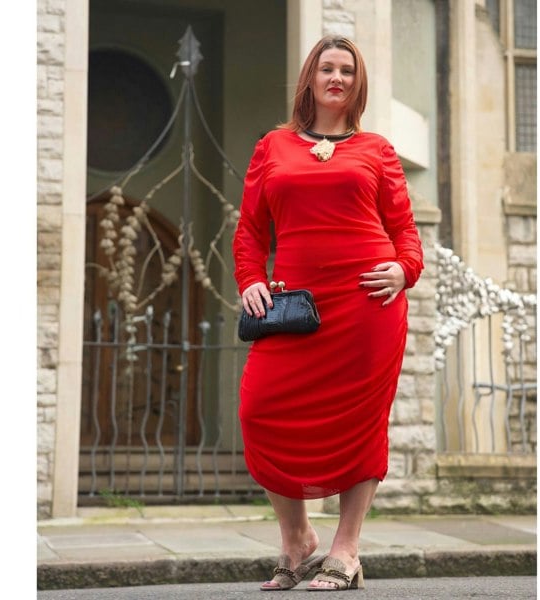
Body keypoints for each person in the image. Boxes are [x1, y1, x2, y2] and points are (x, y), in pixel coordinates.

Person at [232, 35, 424, 591]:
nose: (336, 78)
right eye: (327, 69)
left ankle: (346, 549)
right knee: (259, 408)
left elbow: (404, 231)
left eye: (346, 70)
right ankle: (297, 539)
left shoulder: (378, 151)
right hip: (294, 308)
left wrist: (404, 269)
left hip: (368, 306)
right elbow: (249, 230)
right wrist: (250, 282)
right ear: (309, 80)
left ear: (357, 83)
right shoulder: (273, 146)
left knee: (362, 427)